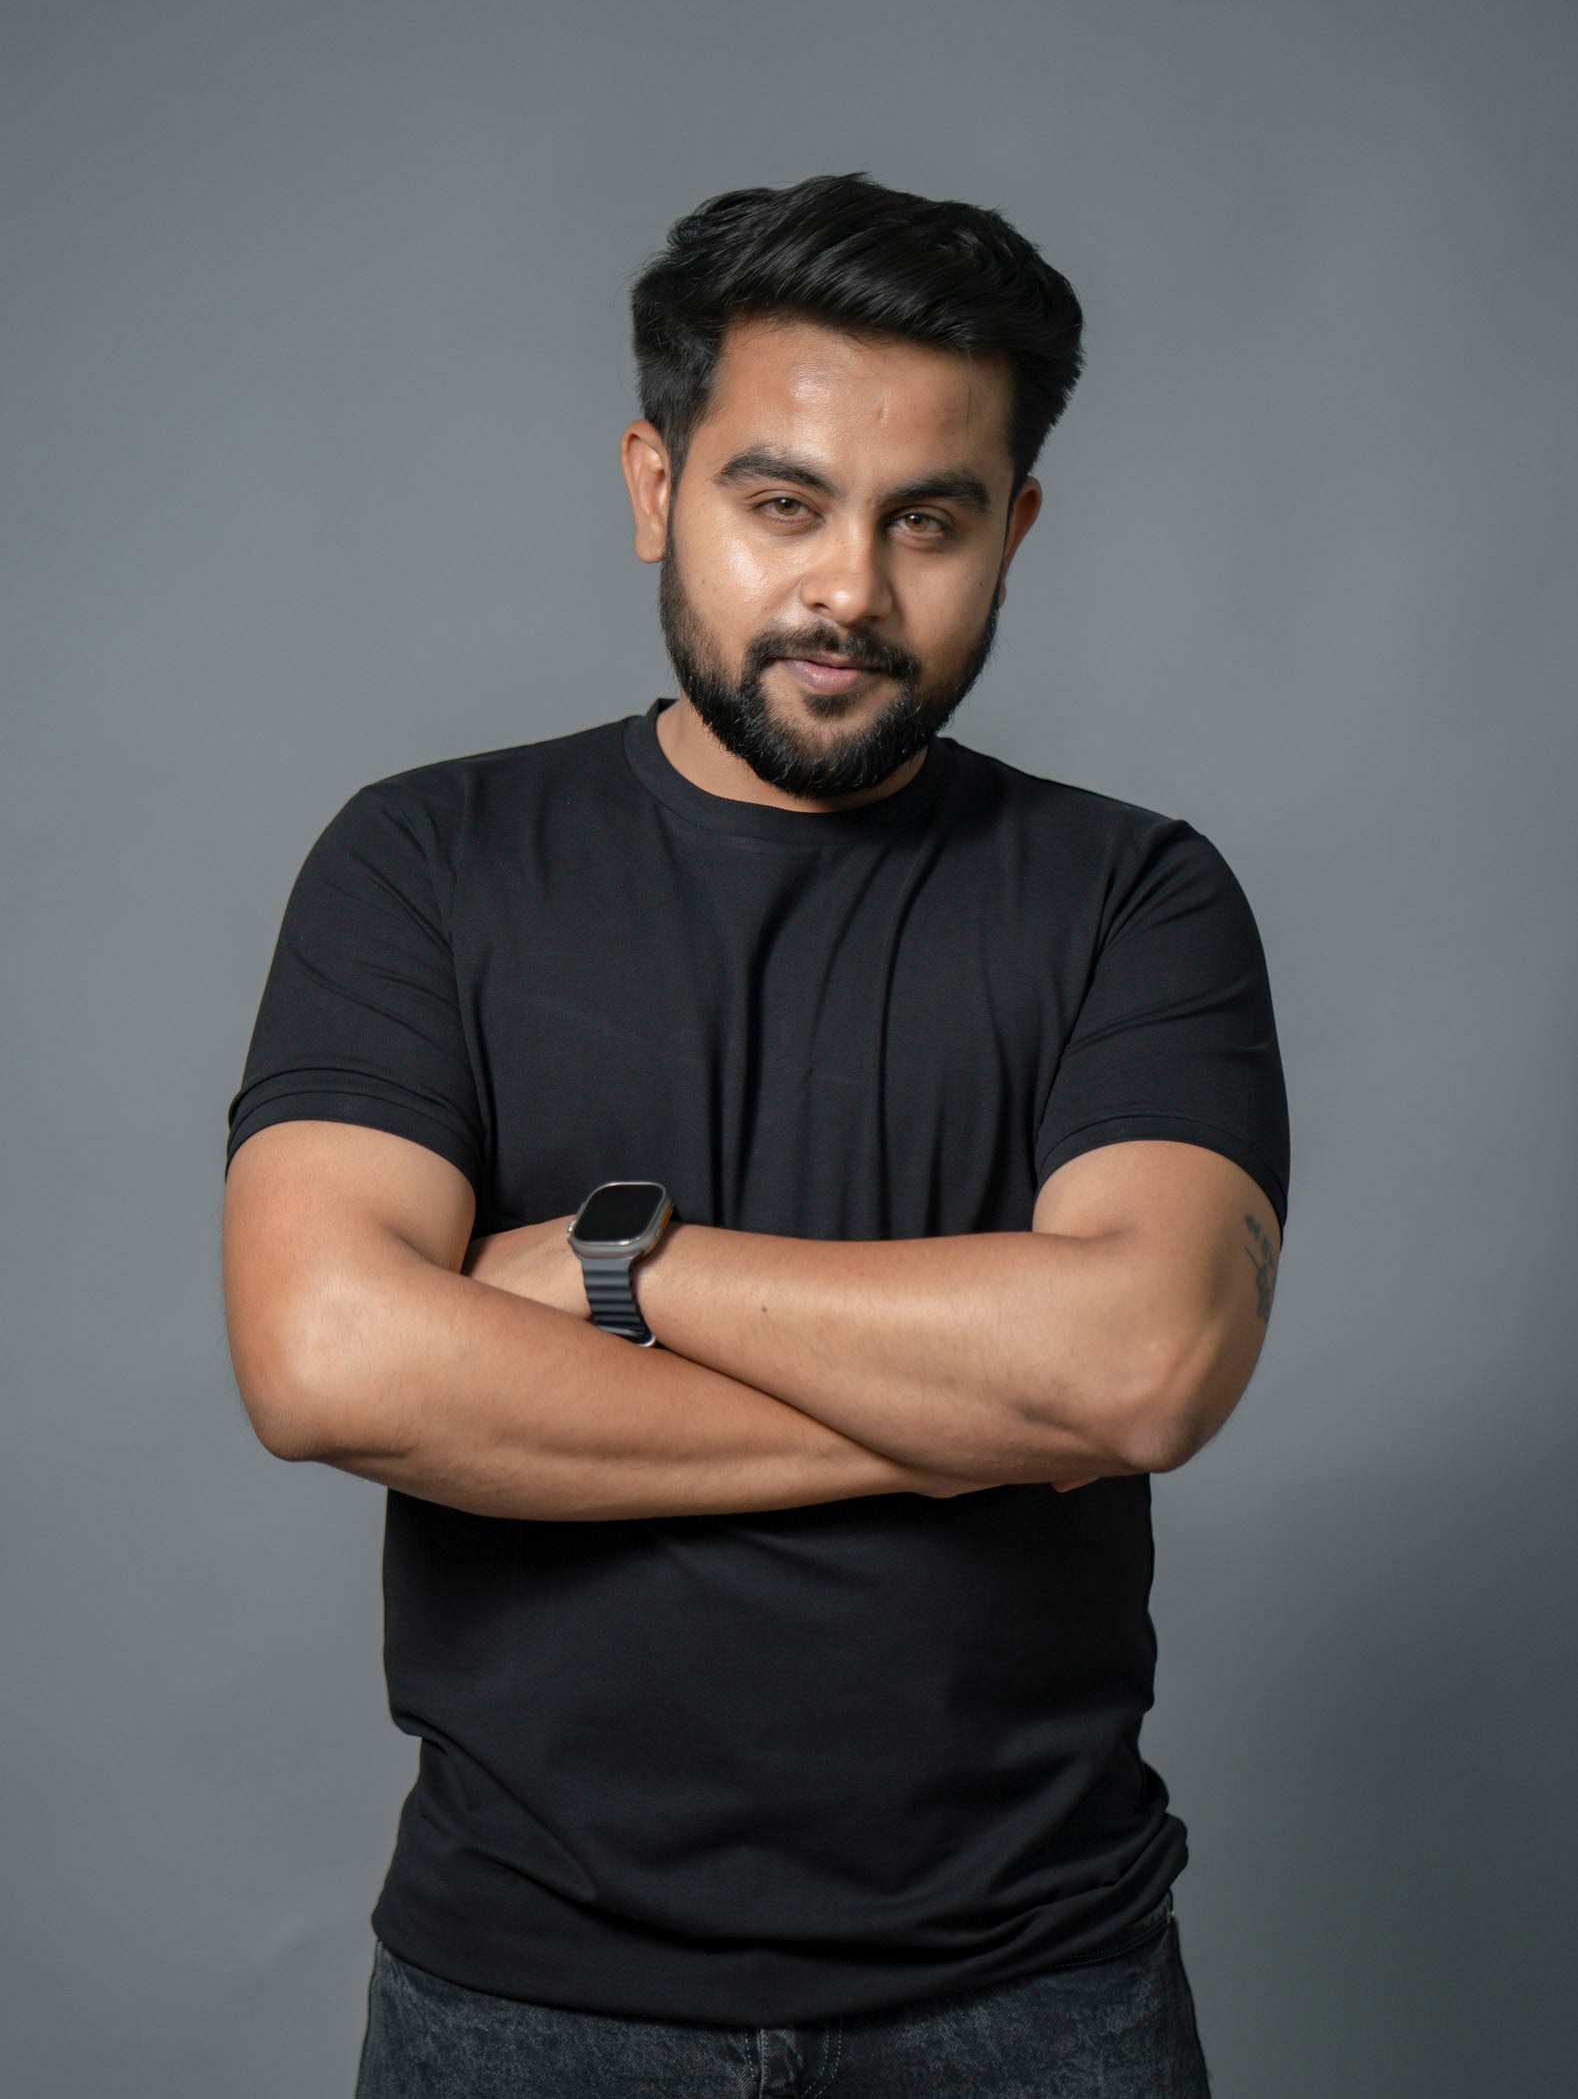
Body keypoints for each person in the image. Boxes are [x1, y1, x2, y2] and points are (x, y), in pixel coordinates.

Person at [222, 169, 1287, 2097]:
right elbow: (326, 1357)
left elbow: (1134, 1365)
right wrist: (968, 1423)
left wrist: (635, 1271)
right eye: (779, 501)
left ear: (1015, 530)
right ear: (655, 484)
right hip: (521, 1999)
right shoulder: (425, 864)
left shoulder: (1135, 897)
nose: (847, 592)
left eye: (929, 522)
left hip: (1037, 1997)